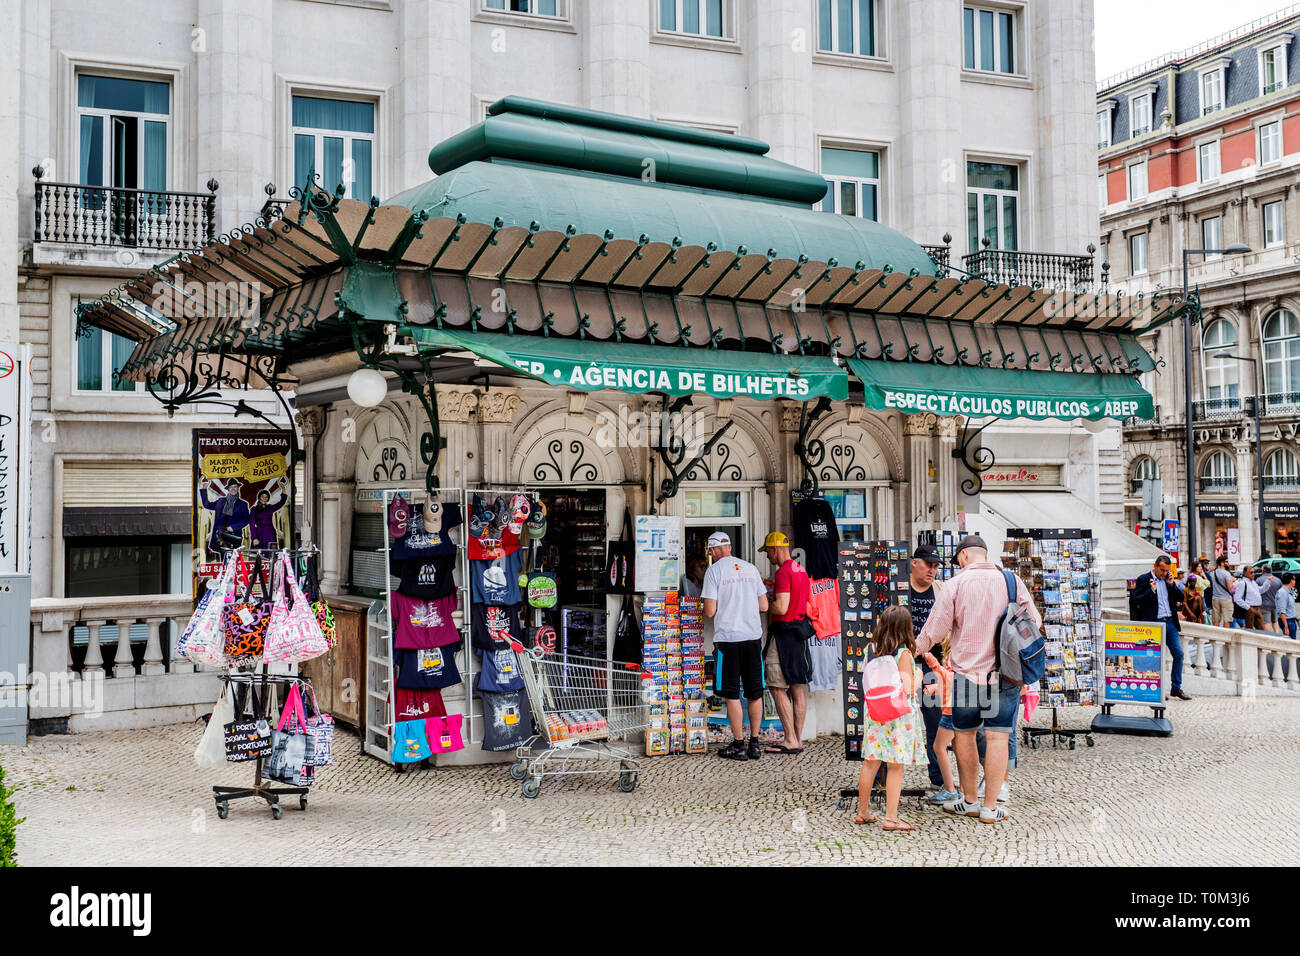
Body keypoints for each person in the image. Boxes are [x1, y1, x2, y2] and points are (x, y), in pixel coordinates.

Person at [917, 535, 1038, 824]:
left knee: (965, 735)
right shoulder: (1011, 581)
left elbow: (935, 629)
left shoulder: (955, 585)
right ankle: (989, 807)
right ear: (984, 554)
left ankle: (969, 801)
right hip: (1005, 674)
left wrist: (913, 650)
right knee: (998, 737)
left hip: (966, 676)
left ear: (962, 557)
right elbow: (1034, 621)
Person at [854, 606, 927, 831]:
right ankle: (892, 818)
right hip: (897, 716)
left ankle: (862, 811)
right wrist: (919, 677)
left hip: (875, 712)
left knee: (870, 763)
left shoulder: (870, 649)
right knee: (895, 766)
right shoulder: (903, 654)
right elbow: (907, 688)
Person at [702, 531, 769, 761]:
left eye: (710, 550)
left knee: (731, 693)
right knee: (755, 692)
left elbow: (710, 611)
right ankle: (755, 743)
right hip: (752, 639)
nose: (710, 554)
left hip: (728, 641)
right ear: (729, 547)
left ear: (714, 550)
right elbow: (764, 606)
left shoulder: (714, 571)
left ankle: (739, 744)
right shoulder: (750, 568)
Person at [759, 532, 813, 755]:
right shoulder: (801, 571)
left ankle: (790, 739)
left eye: (768, 552)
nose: (768, 557)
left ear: (774, 549)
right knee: (797, 687)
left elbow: (781, 607)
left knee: (776, 685)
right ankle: (797, 738)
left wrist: (762, 603)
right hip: (799, 634)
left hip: (783, 634)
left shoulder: (783, 572)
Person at [905, 544, 950, 796]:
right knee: (896, 720)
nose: (932, 570)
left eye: (935, 566)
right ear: (914, 563)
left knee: (935, 723)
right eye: (928, 565)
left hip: (933, 668)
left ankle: (938, 778)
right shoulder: (900, 589)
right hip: (904, 667)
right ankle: (889, 776)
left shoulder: (941, 590)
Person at [1131, 555, 1191, 701]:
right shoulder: (1144, 579)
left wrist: (1171, 585)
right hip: (1153, 624)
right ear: (1155, 566)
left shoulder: (1168, 580)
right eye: (1162, 570)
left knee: (1179, 654)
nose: (1164, 573)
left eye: (1167, 571)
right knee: (1153, 658)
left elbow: (1180, 598)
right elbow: (1135, 600)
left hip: (1169, 621)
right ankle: (1155, 689)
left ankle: (1176, 688)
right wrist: (1150, 591)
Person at [921, 640, 957, 804]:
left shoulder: (951, 659)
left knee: (938, 746)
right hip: (957, 707)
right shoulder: (961, 657)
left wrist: (934, 664)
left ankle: (950, 789)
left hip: (951, 710)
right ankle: (962, 789)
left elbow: (949, 680)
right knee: (959, 746)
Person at [1234, 565, 1263, 631]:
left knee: (1261, 629)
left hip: (1257, 607)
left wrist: (1268, 582)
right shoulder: (1242, 583)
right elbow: (1237, 598)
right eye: (1251, 572)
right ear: (1245, 574)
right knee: (1249, 629)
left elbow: (1260, 590)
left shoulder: (1253, 583)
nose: (1253, 574)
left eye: (1253, 572)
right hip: (1250, 608)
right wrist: (1248, 607)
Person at [1210, 555, 1236, 627]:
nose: (1228, 564)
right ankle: (1225, 637)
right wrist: (1233, 582)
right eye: (1226, 562)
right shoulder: (1226, 573)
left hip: (1215, 598)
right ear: (1222, 563)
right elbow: (1229, 587)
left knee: (1216, 620)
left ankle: (1215, 636)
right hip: (1226, 598)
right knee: (1227, 620)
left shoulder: (1213, 573)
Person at [1258, 567, 1282, 633]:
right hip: (1275, 604)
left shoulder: (1259, 580)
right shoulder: (1277, 580)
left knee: (1266, 622)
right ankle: (1277, 636)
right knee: (1275, 621)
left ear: (1263, 571)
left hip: (1264, 605)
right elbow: (1280, 592)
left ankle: (1268, 636)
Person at [1276, 574, 1297, 640]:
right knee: (1291, 643)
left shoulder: (1289, 591)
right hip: (1287, 621)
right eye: (1294, 579)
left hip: (1291, 620)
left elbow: (1289, 608)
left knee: (1293, 642)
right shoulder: (1282, 592)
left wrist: (1296, 618)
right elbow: (1282, 611)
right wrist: (1286, 627)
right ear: (1291, 581)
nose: (1295, 581)